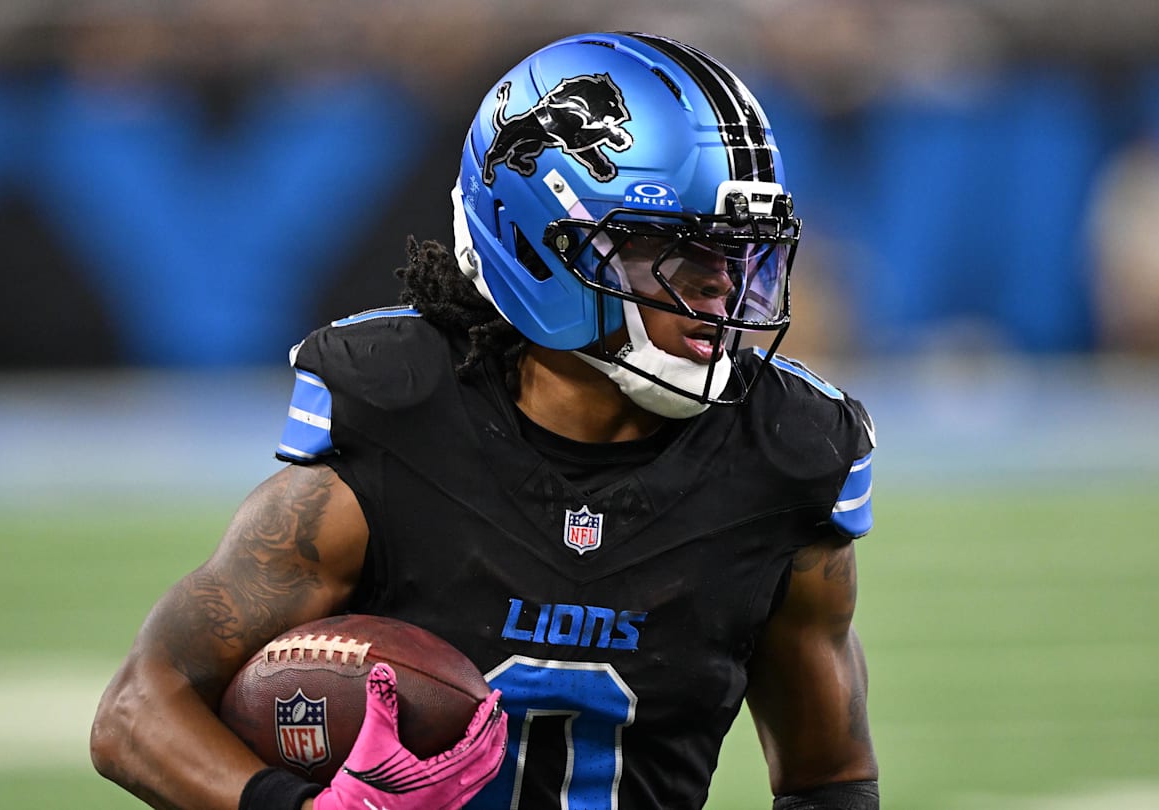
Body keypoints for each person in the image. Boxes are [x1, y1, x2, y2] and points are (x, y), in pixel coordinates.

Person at [90, 31, 879, 810]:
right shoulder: (396, 425)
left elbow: (830, 783)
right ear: (541, 243)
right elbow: (136, 713)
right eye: (674, 254)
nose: (722, 295)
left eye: (740, 256)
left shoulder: (785, 459)